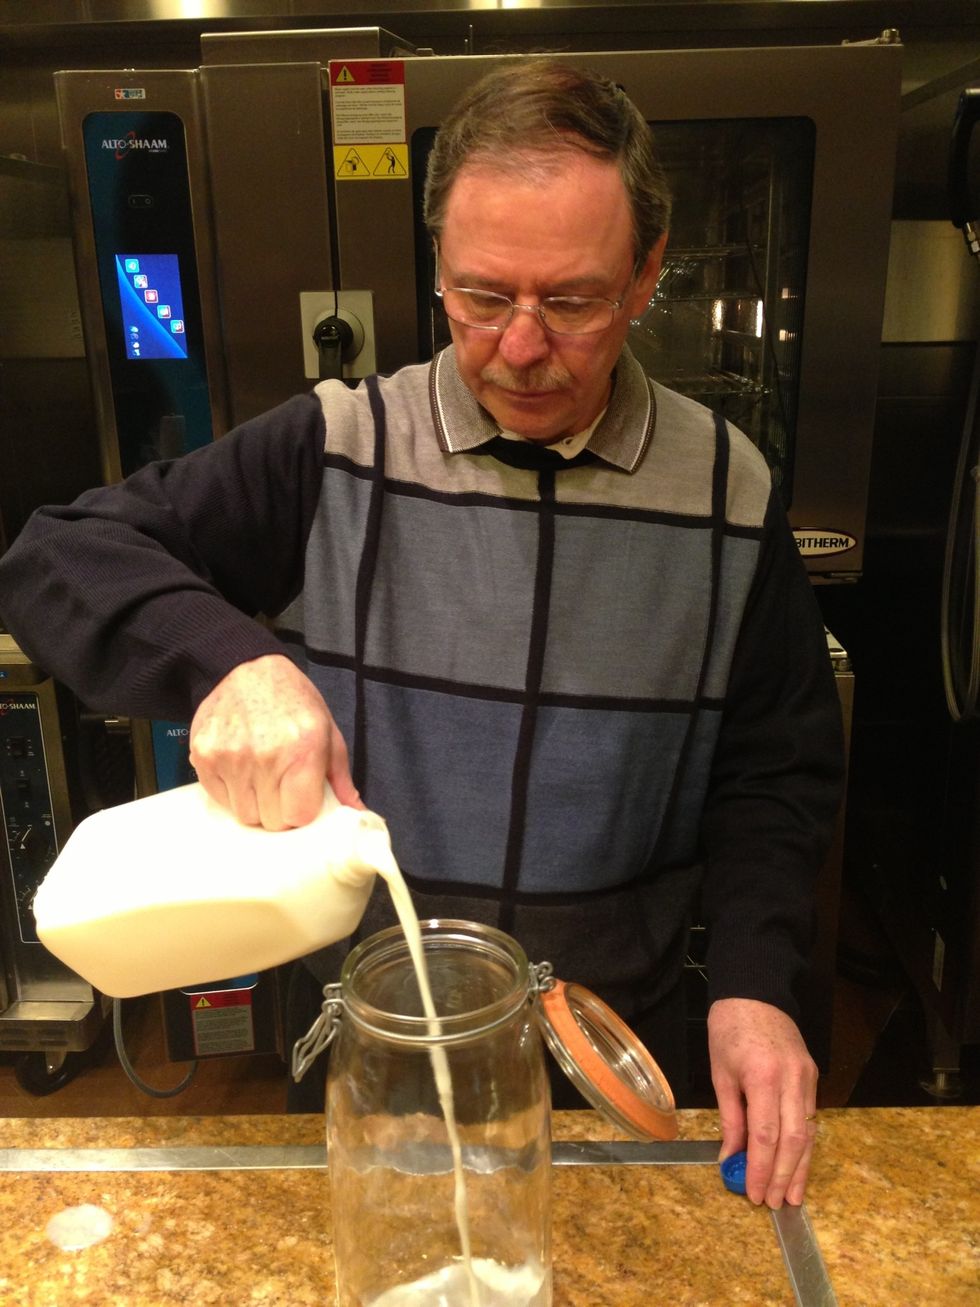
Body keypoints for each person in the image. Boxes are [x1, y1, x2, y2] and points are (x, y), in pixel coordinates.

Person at [0, 59, 842, 1209]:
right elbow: (53, 556)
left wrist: (755, 980)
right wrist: (227, 659)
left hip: (609, 1056)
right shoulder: (338, 448)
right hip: (370, 1063)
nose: (523, 347)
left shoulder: (726, 493)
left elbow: (774, 774)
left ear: (647, 273)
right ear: (435, 267)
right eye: (482, 296)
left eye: (575, 299)